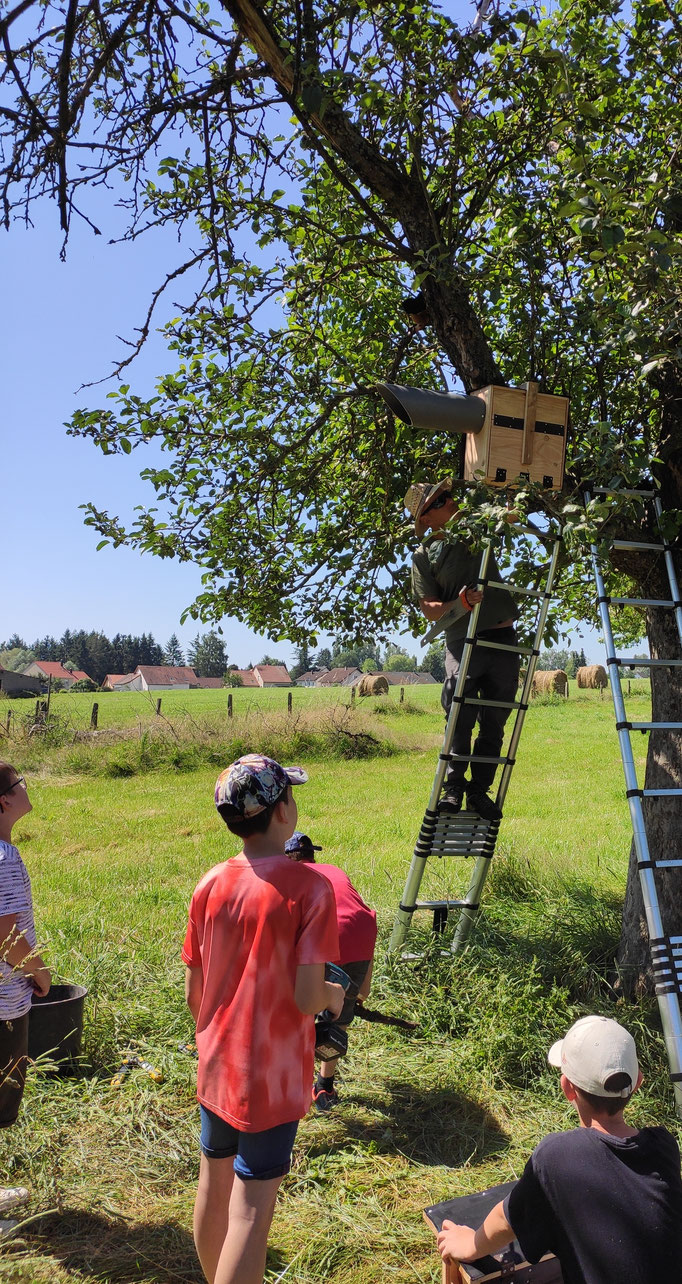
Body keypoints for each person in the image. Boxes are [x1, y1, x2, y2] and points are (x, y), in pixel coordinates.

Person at [182, 754, 345, 1284]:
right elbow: (304, 998)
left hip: (216, 1064)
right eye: (291, 796)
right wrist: (334, 995)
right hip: (269, 1079)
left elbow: (195, 992)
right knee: (251, 1210)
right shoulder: (309, 888)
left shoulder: (209, 883)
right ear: (280, 813)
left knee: (214, 1185)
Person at [436, 1015, 682, 1284]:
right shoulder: (664, 1146)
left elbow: (506, 1219)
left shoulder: (558, 1156)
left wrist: (470, 1243)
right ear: (638, 1082)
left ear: (567, 1088)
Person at [405, 479, 520, 821]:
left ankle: (479, 791)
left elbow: (510, 516)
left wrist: (514, 491)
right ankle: (453, 788)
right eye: (439, 501)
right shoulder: (424, 556)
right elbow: (428, 608)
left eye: (447, 495)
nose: (449, 500)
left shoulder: (475, 526)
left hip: (503, 639)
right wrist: (458, 603)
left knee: (496, 719)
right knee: (459, 715)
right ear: (425, 519)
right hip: (462, 641)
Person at [284, 831, 377, 1113]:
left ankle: (289, 1085)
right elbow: (359, 915)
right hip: (361, 932)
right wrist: (362, 986)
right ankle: (324, 1085)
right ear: (312, 855)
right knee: (338, 1018)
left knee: (300, 1009)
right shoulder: (333, 870)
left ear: (286, 859)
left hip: (325, 935)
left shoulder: (288, 878)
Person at [0, 763, 50, 1218]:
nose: (26, 787)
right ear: (3, 802)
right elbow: (5, 935)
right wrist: (40, 972)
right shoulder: (4, 858)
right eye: (20, 784)